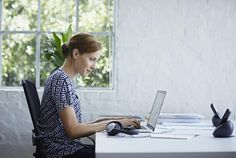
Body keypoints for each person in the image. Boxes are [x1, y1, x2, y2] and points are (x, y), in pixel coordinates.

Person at [37, 32, 140, 158]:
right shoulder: (60, 80)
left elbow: (78, 126)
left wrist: (118, 121)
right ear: (76, 54)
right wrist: (114, 123)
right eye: (92, 59)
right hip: (60, 152)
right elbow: (73, 130)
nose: (94, 66)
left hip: (66, 147)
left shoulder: (63, 79)